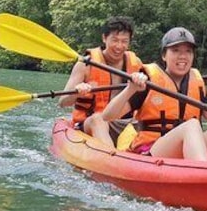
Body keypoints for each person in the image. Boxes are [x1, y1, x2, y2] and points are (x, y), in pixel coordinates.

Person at [102, 27, 207, 164]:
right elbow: (108, 116)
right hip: (151, 151)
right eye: (175, 50)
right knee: (191, 125)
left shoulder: (196, 83)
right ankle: (203, 178)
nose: (183, 56)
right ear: (164, 55)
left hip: (188, 152)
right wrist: (130, 89)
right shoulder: (149, 80)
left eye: (188, 51)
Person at [58, 16, 143, 147]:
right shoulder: (85, 65)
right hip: (91, 122)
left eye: (124, 41)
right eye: (114, 40)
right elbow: (63, 102)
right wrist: (77, 93)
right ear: (104, 38)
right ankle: (111, 158)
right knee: (98, 118)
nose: (119, 46)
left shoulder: (136, 64)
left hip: (125, 123)